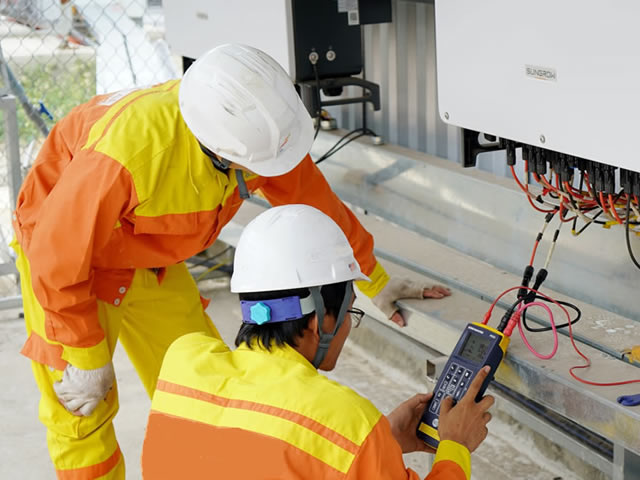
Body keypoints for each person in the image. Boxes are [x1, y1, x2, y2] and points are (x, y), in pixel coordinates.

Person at [12, 43, 451, 478]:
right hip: (66, 261)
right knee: (82, 411)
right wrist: (87, 356)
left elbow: (316, 206)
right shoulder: (127, 157)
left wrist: (373, 278)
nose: (269, 172)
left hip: (146, 253)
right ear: (219, 152)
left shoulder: (255, 131)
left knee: (208, 393)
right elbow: (58, 254)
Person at [141, 204, 492, 479]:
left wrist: (380, 443)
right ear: (320, 321)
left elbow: (253, 454)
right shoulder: (347, 420)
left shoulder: (183, 364)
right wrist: (454, 446)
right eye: (350, 314)